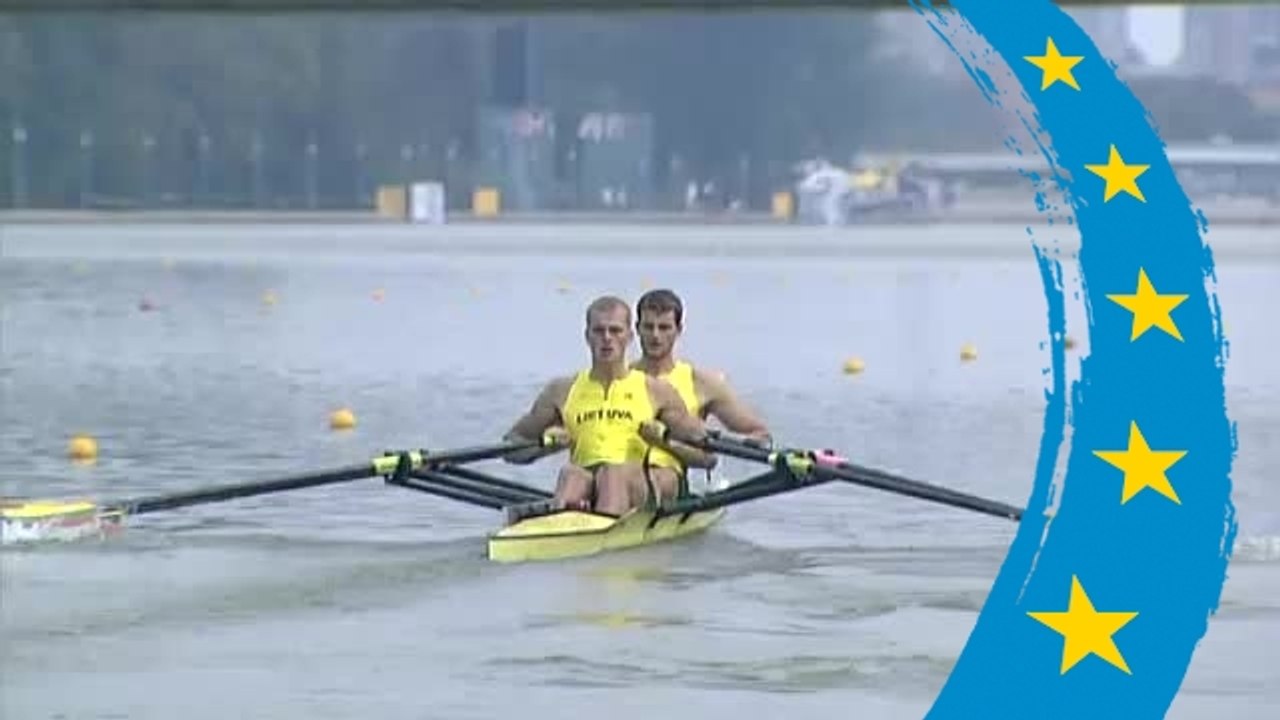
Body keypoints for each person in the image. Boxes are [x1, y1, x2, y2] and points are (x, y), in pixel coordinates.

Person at [501, 295, 711, 516]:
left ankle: (599, 529)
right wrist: (546, 447)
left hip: (646, 480)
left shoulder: (656, 391)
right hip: (589, 476)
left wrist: (663, 442)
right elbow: (511, 447)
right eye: (599, 331)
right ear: (587, 336)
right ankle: (564, 526)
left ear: (630, 336)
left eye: (615, 331)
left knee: (613, 474)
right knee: (571, 474)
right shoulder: (561, 391)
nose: (607, 338)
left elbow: (707, 457)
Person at [630, 288, 773, 500]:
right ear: (637, 329)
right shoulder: (620, 378)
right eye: (649, 327)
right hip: (619, 474)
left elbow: (759, 433)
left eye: (664, 327)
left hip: (669, 481)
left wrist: (715, 442)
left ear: (678, 330)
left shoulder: (702, 383)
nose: (655, 336)